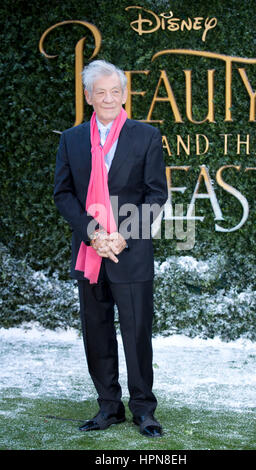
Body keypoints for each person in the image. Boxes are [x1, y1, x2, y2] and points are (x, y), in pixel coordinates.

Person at [54, 60, 168, 438]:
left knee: (137, 334)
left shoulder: (146, 136)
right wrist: (94, 234)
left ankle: (143, 410)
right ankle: (108, 407)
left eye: (114, 91)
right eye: (99, 91)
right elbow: (64, 193)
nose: (107, 98)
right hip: (90, 251)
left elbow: (156, 194)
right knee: (97, 331)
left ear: (124, 95)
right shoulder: (71, 139)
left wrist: (122, 235)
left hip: (130, 251)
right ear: (88, 96)